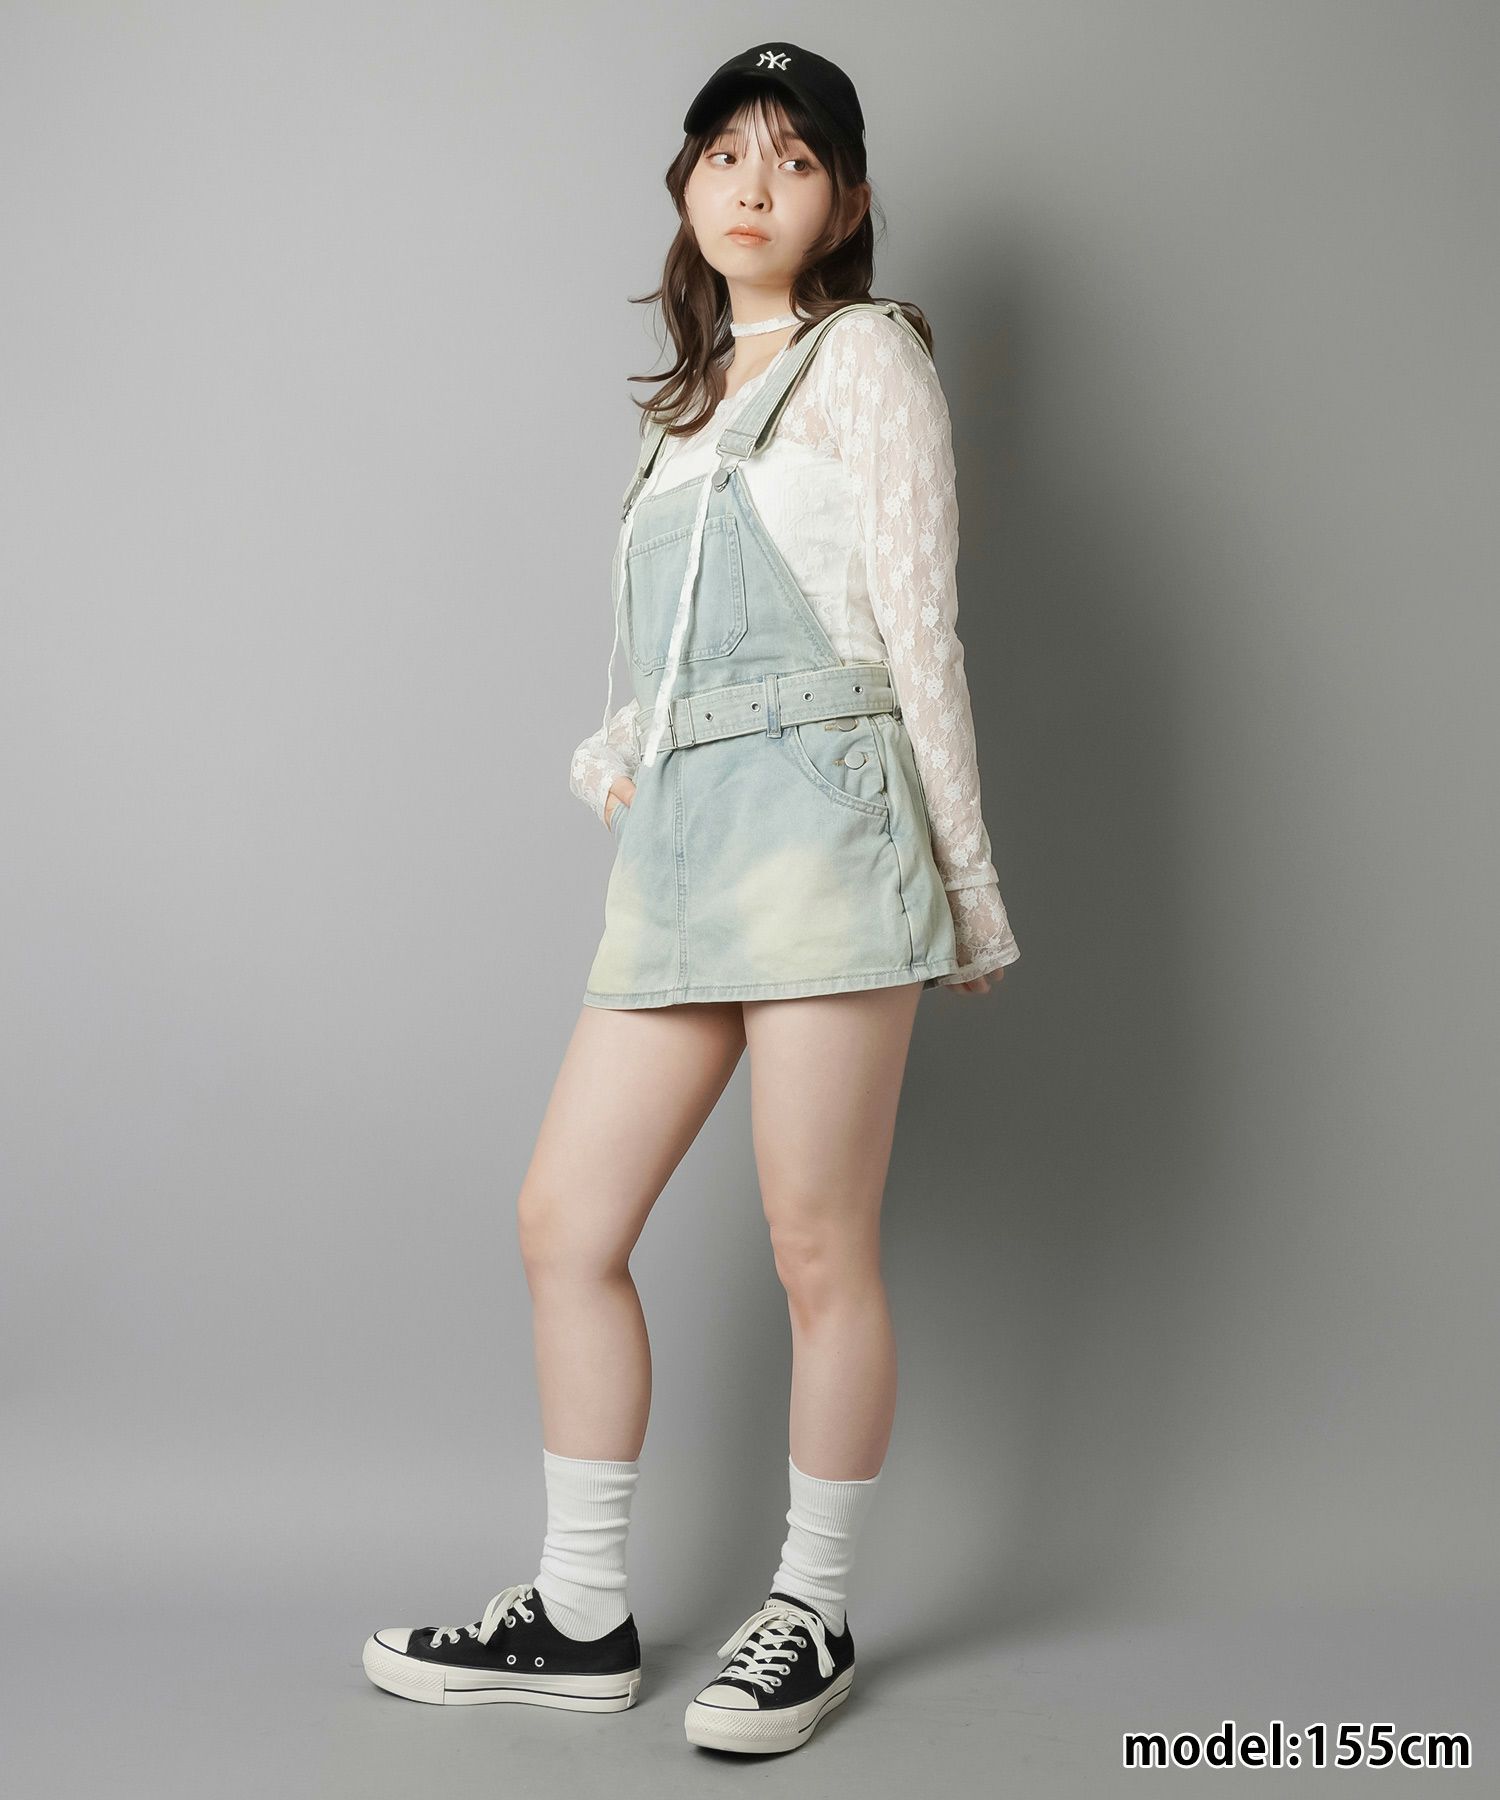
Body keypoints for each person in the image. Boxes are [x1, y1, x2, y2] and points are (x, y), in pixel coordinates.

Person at [361, 40, 1020, 1756]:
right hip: (684, 852)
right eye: (726, 152)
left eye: (794, 160)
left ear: (846, 205)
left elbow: (917, 633)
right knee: (565, 1225)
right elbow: (666, 662)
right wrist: (617, 759)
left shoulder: (871, 362)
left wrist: (965, 883)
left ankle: (810, 1611)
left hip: (827, 832)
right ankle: (582, 1615)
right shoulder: (686, 407)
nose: (753, 184)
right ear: (684, 184)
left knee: (816, 1245)